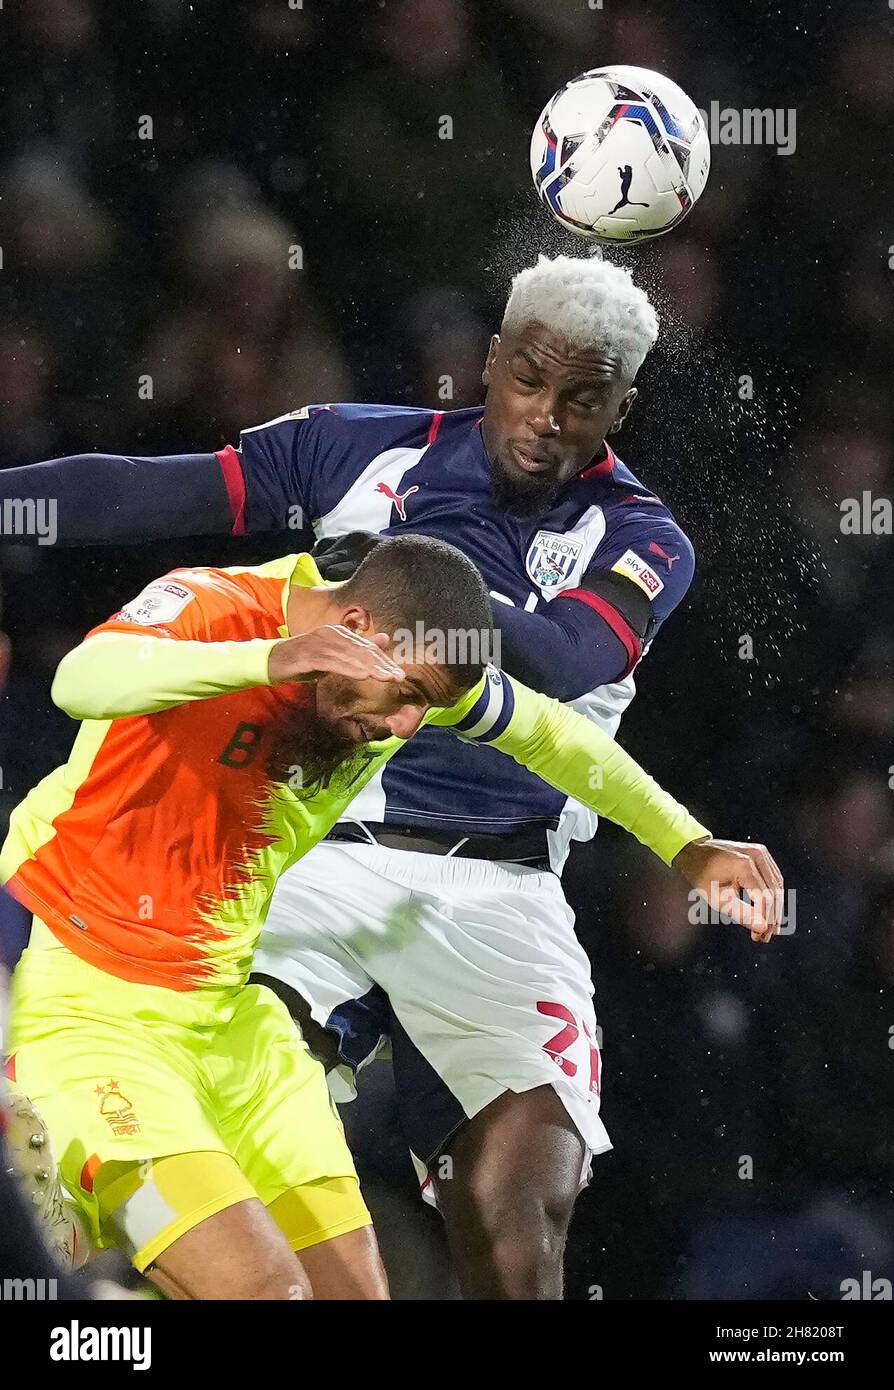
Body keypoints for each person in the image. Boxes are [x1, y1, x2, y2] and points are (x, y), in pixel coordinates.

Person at [0, 255, 780, 1298]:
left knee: (519, 1211)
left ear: (620, 409)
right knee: (228, 1141)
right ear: (491, 361)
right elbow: (151, 493)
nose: (546, 417)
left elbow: (559, 673)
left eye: (583, 401)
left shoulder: (643, 537)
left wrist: (685, 838)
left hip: (504, 886)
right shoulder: (360, 445)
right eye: (529, 381)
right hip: (319, 850)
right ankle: (101, 1239)